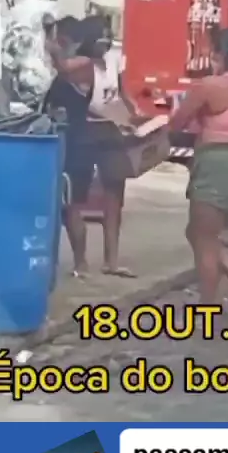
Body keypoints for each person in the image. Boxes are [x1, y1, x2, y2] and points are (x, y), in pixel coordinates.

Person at [169, 30, 228, 303]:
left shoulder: (211, 85)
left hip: (218, 164)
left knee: (205, 243)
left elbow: (177, 123)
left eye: (213, 54)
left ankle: (207, 307)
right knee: (199, 233)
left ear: (222, 56)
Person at [44, 18, 101, 277]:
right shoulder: (66, 70)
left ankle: (81, 263)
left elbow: (64, 66)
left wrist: (49, 44)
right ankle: (55, 262)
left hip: (76, 145)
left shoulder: (84, 65)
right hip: (61, 141)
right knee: (59, 207)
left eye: (62, 40)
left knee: (72, 208)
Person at [89, 21, 138, 278]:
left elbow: (122, 91)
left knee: (114, 196)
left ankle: (112, 260)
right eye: (101, 37)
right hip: (87, 131)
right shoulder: (81, 66)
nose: (106, 42)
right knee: (75, 198)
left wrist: (134, 111)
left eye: (109, 37)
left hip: (112, 132)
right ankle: (80, 261)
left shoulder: (113, 61)